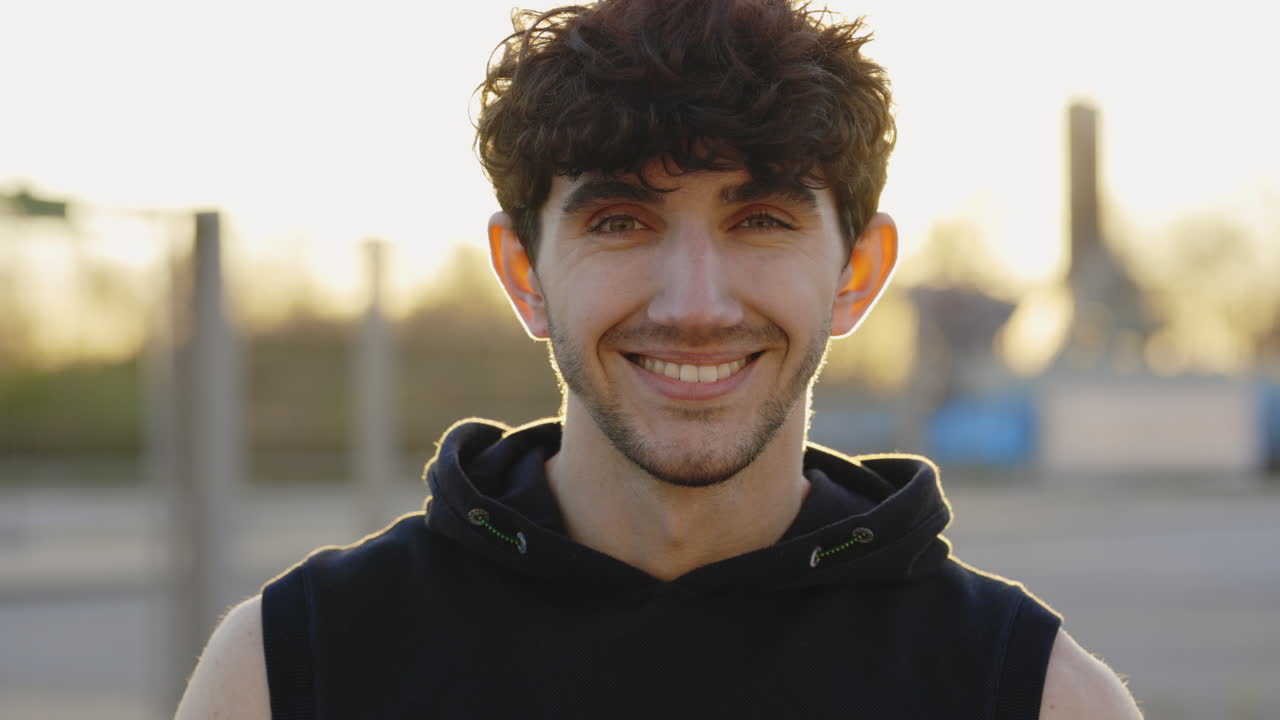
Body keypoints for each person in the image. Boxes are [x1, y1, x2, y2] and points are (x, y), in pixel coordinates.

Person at [175, 1, 1144, 717]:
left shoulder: (1034, 697)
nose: (693, 306)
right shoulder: (287, 671)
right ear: (523, 273)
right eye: (619, 221)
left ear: (855, 271)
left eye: (758, 219)